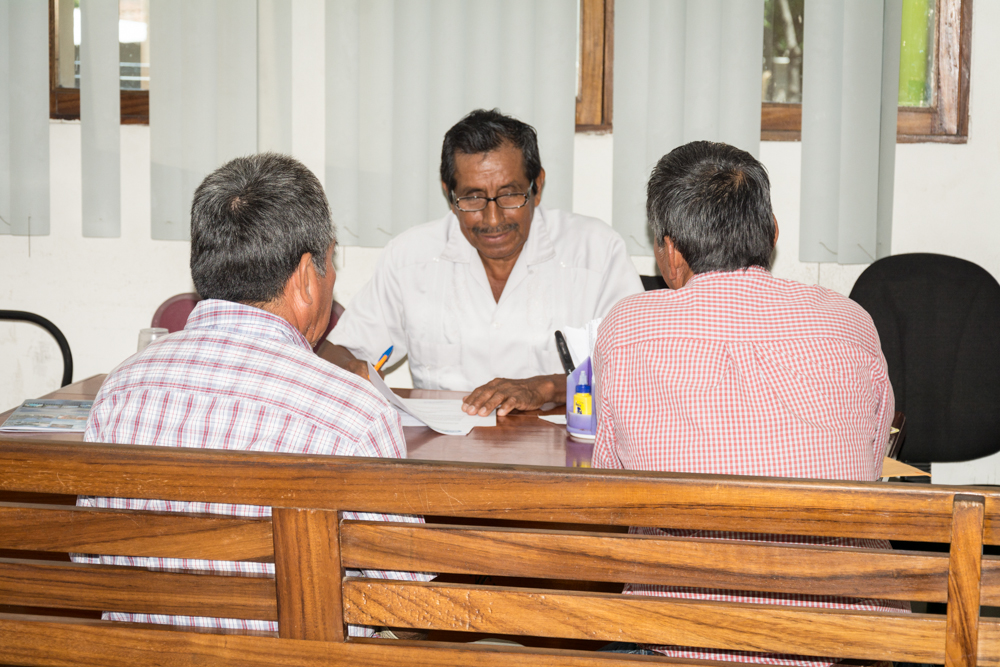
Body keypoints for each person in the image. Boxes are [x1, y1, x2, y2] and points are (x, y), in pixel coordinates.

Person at [78, 153, 428, 637]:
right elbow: (408, 599)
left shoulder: (121, 388)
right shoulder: (353, 413)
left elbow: (87, 553)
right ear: (307, 277)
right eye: (331, 262)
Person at [592, 141, 903, 664]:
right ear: (774, 234)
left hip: (679, 636)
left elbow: (614, 481)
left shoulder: (627, 327)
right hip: (842, 635)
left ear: (667, 250)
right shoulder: (850, 321)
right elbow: (869, 469)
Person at [320, 109, 642, 417]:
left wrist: (547, 387)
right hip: (444, 456)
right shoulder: (409, 258)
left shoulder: (596, 253)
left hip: (560, 454)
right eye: (473, 198)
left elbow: (635, 371)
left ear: (537, 186)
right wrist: (352, 370)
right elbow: (338, 352)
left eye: (509, 195)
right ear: (449, 195)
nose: (492, 219)